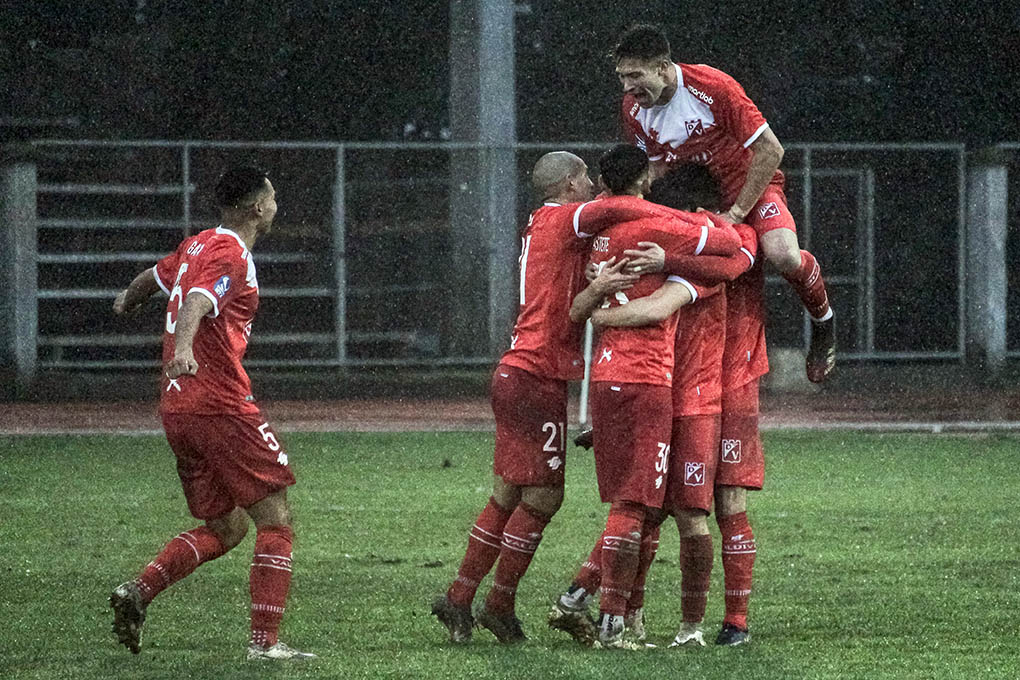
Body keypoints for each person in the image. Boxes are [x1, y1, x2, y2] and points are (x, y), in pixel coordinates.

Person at [108, 166, 315, 661]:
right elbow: (199, 301)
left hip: (177, 407)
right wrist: (183, 349)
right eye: (273, 197)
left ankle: (138, 591)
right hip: (217, 403)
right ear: (256, 208)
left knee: (228, 528)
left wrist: (125, 300)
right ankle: (266, 645)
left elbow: (153, 278)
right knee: (276, 519)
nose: (276, 206)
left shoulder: (197, 244)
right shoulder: (230, 254)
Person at [430, 151, 638, 644]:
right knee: (545, 496)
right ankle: (499, 605)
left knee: (508, 494)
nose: (592, 183)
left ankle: (459, 598)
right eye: (585, 176)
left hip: (516, 370)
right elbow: (623, 209)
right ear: (569, 184)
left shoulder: (540, 224)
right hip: (536, 376)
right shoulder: (567, 217)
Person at [551, 163, 757, 649]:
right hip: (652, 393)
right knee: (642, 508)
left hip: (696, 402)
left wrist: (598, 308)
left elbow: (700, 281)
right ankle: (619, 614)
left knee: (686, 514)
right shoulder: (660, 249)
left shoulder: (695, 261)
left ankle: (689, 626)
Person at [614, 23, 836, 384]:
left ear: (662, 66)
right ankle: (639, 379)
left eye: (634, 75)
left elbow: (771, 150)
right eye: (622, 77)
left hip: (750, 185)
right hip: (700, 197)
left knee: (781, 254)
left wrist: (734, 214)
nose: (627, 88)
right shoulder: (634, 110)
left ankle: (823, 320)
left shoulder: (712, 87)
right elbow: (653, 166)